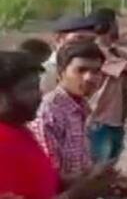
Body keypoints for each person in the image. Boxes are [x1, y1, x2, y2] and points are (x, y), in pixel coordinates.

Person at [0, 51, 114, 199]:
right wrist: (78, 193)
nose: (39, 94)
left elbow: (43, 181)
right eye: (28, 89)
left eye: (37, 87)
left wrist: (88, 178)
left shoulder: (19, 130)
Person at [30, 40, 107, 181]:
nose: (90, 78)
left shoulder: (80, 106)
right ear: (61, 72)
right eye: (81, 70)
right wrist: (92, 179)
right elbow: (51, 177)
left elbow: (79, 163)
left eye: (96, 71)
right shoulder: (49, 112)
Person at [88, 9, 127, 162]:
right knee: (100, 168)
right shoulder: (97, 52)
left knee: (110, 167)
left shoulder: (114, 52)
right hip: (101, 122)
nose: (119, 28)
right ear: (104, 26)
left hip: (115, 120)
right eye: (116, 24)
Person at [41, 16, 99, 95]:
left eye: (91, 40)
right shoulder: (45, 72)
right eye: (79, 38)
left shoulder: (95, 68)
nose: (85, 44)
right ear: (58, 38)